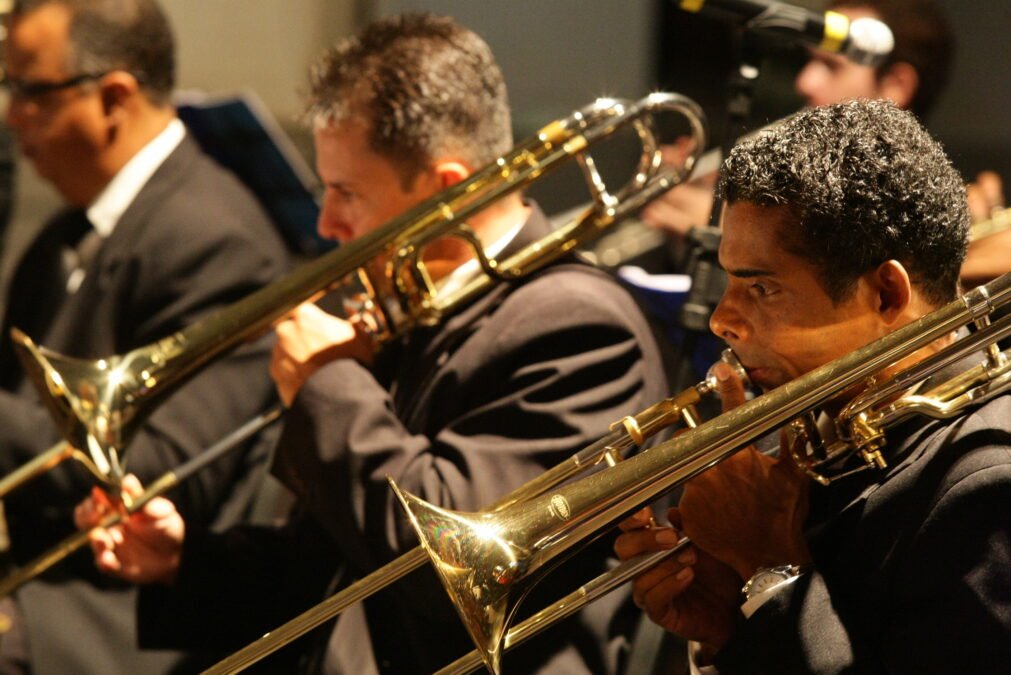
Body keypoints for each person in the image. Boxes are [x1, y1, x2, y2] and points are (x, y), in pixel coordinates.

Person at [76, 13, 669, 674]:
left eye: (346, 193)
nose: (326, 224)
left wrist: (327, 384)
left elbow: (442, 566)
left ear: (450, 190)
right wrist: (184, 559)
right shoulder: (413, 304)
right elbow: (335, 568)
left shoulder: (579, 329)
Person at [615, 100, 1011, 673]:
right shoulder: (814, 438)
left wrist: (769, 568)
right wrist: (732, 627)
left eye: (762, 288)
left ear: (887, 296)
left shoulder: (989, 481)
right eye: (728, 282)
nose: (721, 319)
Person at [0, 0, 289, 672]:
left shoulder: (216, 240)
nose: (12, 117)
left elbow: (158, 470)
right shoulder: (61, 235)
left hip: (114, 609)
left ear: (115, 97)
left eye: (29, 92)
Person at [644, 0, 1008, 286]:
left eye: (830, 66)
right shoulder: (789, 175)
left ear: (895, 86)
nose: (805, 81)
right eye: (810, 61)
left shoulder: (929, 212)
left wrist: (724, 229)